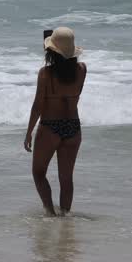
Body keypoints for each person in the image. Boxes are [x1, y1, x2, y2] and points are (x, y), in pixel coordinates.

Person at [24, 27, 87, 216]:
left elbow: (38, 105)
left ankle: (50, 213)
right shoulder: (82, 70)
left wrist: (29, 132)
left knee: (38, 173)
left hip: (50, 127)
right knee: (66, 178)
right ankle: (65, 217)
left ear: (51, 51)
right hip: (73, 128)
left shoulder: (45, 74)